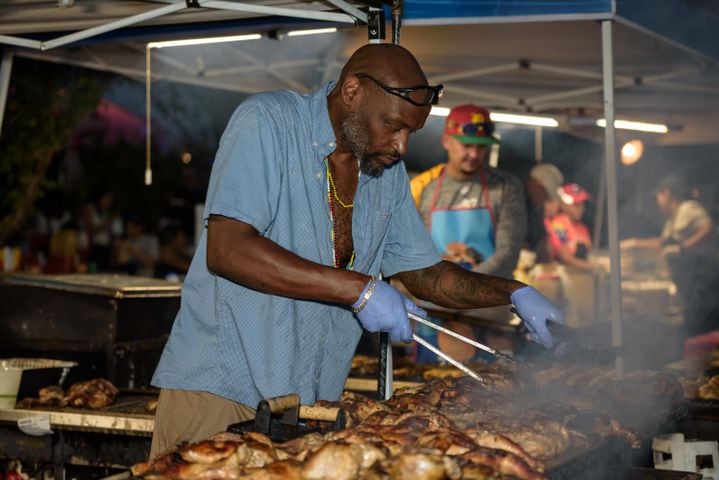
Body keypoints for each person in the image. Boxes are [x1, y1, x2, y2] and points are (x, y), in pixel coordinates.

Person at [149, 43, 563, 457]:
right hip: (219, 389)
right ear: (352, 92)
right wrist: (359, 290)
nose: (401, 146)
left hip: (306, 406)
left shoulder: (385, 169)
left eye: (410, 133)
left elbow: (424, 274)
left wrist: (511, 292)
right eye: (393, 125)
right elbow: (227, 249)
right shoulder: (268, 122)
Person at [409, 104, 527, 363]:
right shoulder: (423, 188)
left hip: (490, 314)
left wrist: (464, 288)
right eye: (466, 145)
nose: (474, 154)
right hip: (437, 313)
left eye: (481, 146)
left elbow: (507, 254)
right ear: (446, 140)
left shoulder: (505, 188)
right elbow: (411, 252)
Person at [621, 174, 719, 336]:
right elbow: (665, 243)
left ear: (665, 193)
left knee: (702, 328)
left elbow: (708, 229)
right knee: (693, 327)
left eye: (658, 196)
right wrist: (635, 243)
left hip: (704, 281)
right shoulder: (673, 219)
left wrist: (683, 248)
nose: (658, 202)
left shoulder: (688, 208)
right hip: (690, 284)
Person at [546, 183, 594, 271]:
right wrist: (593, 267)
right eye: (576, 204)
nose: (581, 208)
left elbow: (590, 254)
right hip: (564, 278)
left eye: (582, 204)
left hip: (581, 277)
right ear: (564, 205)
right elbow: (565, 256)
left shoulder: (582, 228)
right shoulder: (558, 225)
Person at [524, 163, 564, 264]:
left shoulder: (538, 208)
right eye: (545, 193)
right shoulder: (515, 201)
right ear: (535, 184)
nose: (546, 199)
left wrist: (548, 264)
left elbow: (542, 239)